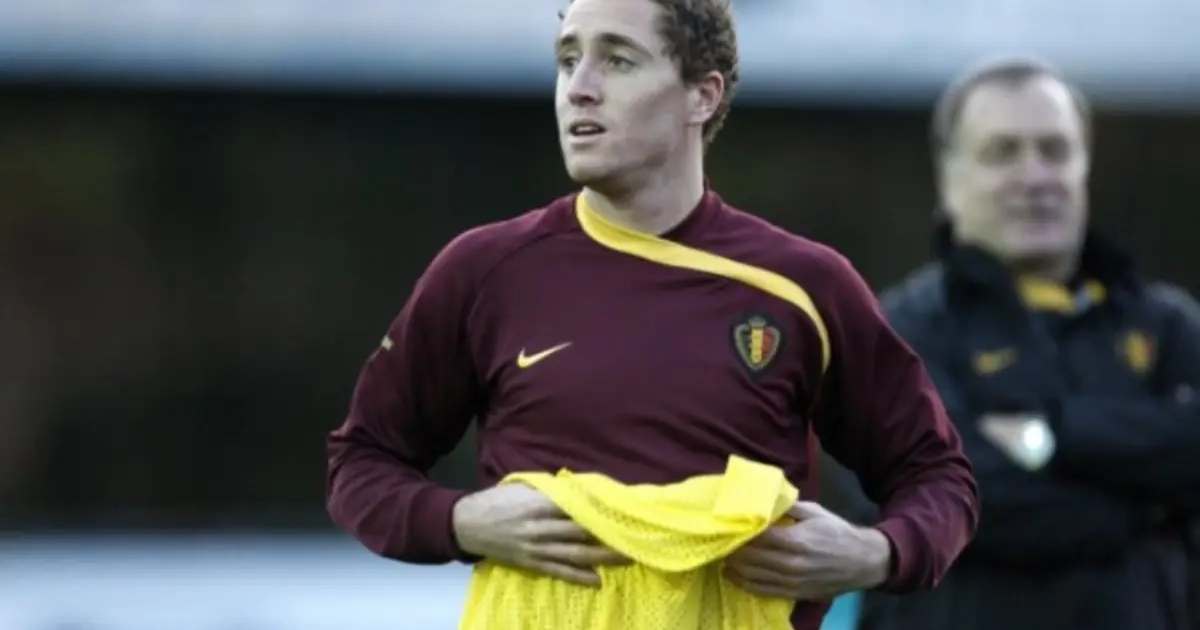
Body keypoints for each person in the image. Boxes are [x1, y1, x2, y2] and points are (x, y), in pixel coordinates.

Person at [325, 0, 979, 627]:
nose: (579, 88)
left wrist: (875, 553)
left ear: (702, 96)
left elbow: (938, 476)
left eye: (618, 60)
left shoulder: (804, 286)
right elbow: (362, 463)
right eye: (568, 60)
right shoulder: (485, 271)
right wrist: (459, 521)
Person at [845, 57, 1200, 630]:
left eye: (1055, 150)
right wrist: (1150, 502)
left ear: (1084, 166)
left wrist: (1056, 435)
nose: (1034, 176)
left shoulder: (1169, 326)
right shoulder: (898, 332)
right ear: (949, 180)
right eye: (1002, 153)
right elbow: (960, 501)